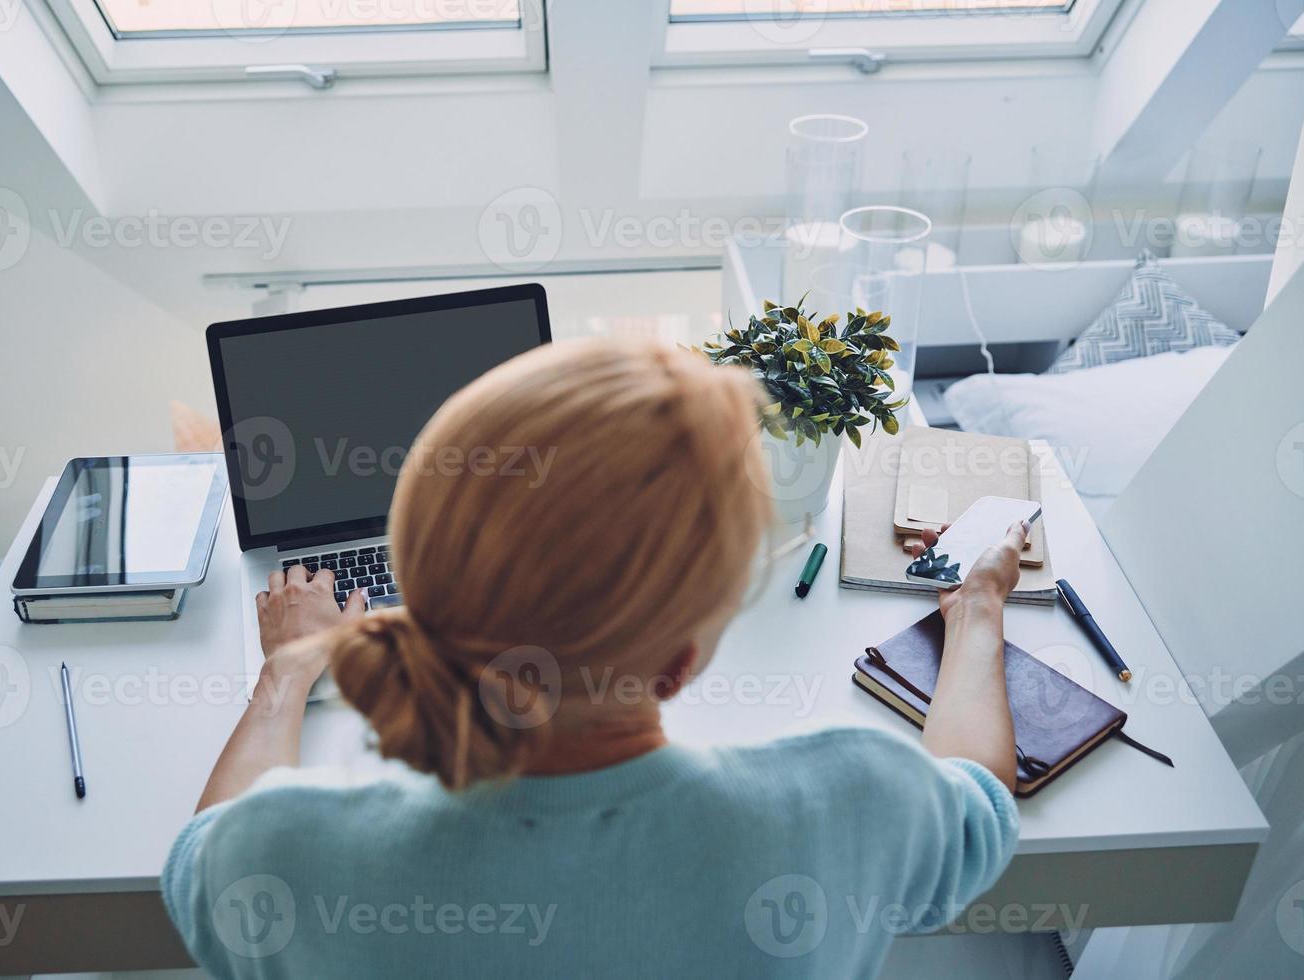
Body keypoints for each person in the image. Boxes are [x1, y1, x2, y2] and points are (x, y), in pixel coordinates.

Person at [162, 339, 1024, 977]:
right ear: (680, 662)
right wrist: (977, 609)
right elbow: (981, 802)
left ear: (418, 596)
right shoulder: (853, 800)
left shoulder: (283, 854)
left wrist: (286, 668)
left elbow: (194, 865)